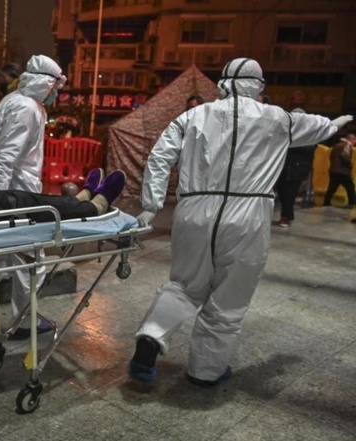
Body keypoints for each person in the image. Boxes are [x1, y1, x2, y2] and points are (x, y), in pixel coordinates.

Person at [130, 58, 352, 388]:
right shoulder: (278, 118)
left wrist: (151, 204)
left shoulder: (192, 115)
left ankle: (151, 336)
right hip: (248, 214)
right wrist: (337, 123)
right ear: (257, 86)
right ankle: (205, 371)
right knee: (228, 298)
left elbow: (160, 157)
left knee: (184, 285)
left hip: (195, 210)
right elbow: (319, 127)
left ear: (223, 83)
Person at [0, 55, 85, 338]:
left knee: (1, 257)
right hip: (16, 198)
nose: (56, 93)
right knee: (30, 260)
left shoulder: (16, 102)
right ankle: (24, 322)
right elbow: (5, 158)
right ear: (43, 82)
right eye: (54, 87)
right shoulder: (25, 108)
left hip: (12, 194)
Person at [275, 108, 317, 227]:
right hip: (282, 167)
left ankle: (286, 217)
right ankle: (286, 215)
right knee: (282, 193)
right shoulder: (285, 130)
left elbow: (310, 149)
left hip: (297, 169)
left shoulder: (308, 133)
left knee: (289, 194)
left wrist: (294, 142)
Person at [322, 133, 356, 207]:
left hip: (333, 170)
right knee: (350, 187)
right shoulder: (347, 145)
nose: (355, 142)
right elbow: (345, 156)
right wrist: (350, 165)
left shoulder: (337, 145)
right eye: (354, 140)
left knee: (332, 188)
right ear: (351, 139)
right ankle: (352, 203)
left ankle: (326, 202)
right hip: (342, 171)